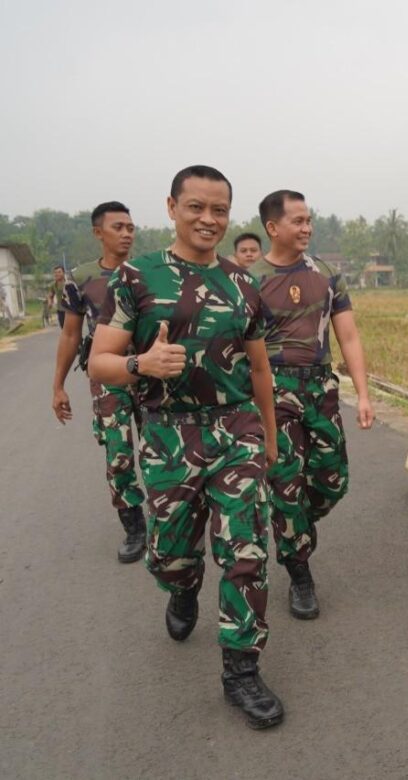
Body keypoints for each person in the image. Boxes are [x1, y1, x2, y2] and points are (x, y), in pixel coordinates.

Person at [89, 165, 284, 729]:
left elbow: (260, 366)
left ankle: (242, 671)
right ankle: (181, 587)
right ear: (172, 207)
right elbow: (101, 361)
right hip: (168, 431)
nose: (208, 219)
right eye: (196, 206)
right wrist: (141, 364)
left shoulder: (244, 282)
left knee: (245, 549)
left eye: (219, 210)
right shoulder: (136, 276)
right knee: (172, 552)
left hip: (236, 428)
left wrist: (268, 434)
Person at [249, 189, 375, 620]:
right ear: (273, 227)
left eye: (309, 220)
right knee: (285, 484)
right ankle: (299, 570)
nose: (306, 228)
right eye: (298, 221)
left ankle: (297, 526)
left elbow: (349, 336)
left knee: (331, 480)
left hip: (321, 388)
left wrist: (363, 394)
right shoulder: (247, 278)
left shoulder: (325, 274)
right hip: (273, 389)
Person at [51, 201, 146, 562]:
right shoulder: (82, 277)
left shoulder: (147, 272)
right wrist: (57, 385)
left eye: (130, 227)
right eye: (118, 227)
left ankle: (173, 522)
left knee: (163, 453)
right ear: (98, 233)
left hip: (149, 373)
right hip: (107, 378)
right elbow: (71, 335)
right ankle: (134, 527)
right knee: (119, 456)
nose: (126, 234)